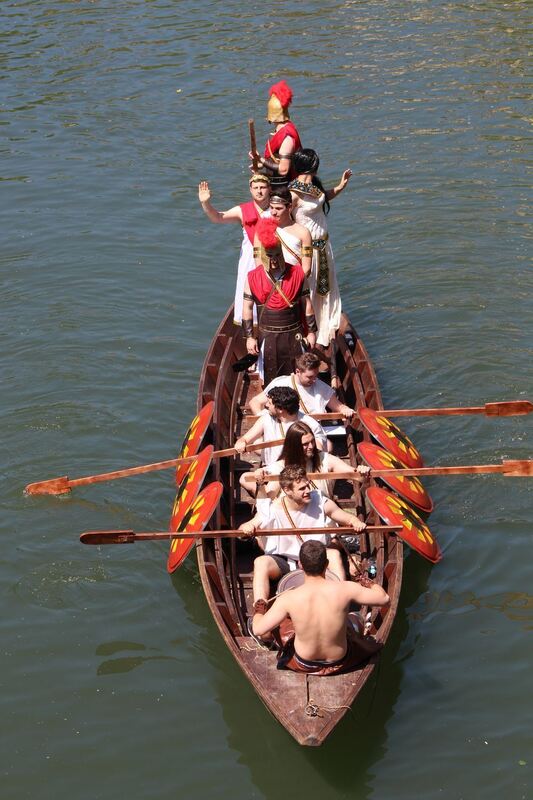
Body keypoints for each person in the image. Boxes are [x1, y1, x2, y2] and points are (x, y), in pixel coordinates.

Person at [239, 466, 368, 615]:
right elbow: (245, 528)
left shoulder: (319, 500)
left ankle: (340, 604)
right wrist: (247, 527)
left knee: (333, 554)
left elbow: (343, 516)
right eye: (302, 489)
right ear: (287, 491)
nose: (308, 491)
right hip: (285, 562)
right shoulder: (273, 508)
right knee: (260, 562)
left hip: (315, 558)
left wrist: (354, 521)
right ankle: (260, 609)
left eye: (307, 485)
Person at [252, 540, 389, 674]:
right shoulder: (346, 588)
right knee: (356, 618)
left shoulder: (288, 598)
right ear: (327, 564)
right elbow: (384, 598)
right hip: (340, 660)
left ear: (301, 565)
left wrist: (260, 607)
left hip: (304, 663)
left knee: (280, 623)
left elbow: (258, 629)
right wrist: (365, 581)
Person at [289, 148, 352, 348]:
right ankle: (309, 331)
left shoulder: (314, 187)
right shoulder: (294, 192)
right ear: (313, 166)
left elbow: (323, 197)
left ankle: (324, 327)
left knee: (326, 288)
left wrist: (341, 186)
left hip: (324, 245)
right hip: (307, 250)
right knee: (311, 288)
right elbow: (281, 218)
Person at [243, 218, 315, 386]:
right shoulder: (253, 278)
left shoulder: (297, 274)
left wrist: (311, 332)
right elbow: (247, 308)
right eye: (269, 256)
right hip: (267, 336)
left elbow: (307, 304)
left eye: (277, 255)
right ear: (263, 255)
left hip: (294, 335)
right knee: (271, 383)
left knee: (297, 381)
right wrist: (249, 337)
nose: (274, 260)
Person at [198, 175, 271, 325]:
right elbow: (218, 217)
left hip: (273, 257)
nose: (259, 191)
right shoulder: (242, 210)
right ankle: (251, 335)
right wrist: (205, 203)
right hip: (250, 261)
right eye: (256, 188)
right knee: (249, 297)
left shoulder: (278, 208)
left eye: (263, 187)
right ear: (250, 190)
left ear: (269, 189)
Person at [240, 420, 369, 500]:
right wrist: (259, 483)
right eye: (305, 444)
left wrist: (362, 472)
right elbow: (268, 498)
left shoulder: (326, 459)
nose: (312, 446)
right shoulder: (281, 467)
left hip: (322, 517)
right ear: (294, 446)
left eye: (312, 441)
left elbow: (358, 477)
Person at [234, 387, 326, 467]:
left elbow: (316, 455)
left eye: (270, 403)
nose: (266, 405)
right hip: (272, 470)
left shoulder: (311, 425)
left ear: (280, 409)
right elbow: (245, 439)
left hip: (301, 472)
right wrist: (241, 443)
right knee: (244, 479)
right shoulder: (267, 418)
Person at [249, 351, 354, 418]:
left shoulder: (321, 386)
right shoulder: (280, 383)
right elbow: (255, 402)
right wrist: (262, 418)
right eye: (309, 377)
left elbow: (339, 406)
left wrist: (346, 410)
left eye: (316, 375)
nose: (314, 380)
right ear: (298, 371)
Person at [249, 80, 302, 189]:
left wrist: (261, 159)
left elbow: (283, 169)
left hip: (284, 190)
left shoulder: (287, 136)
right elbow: (276, 160)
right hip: (275, 184)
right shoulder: (281, 131)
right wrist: (261, 165)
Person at [264, 187, 312, 279]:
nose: (273, 212)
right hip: (270, 283)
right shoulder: (264, 228)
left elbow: (307, 269)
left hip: (296, 283)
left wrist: (291, 286)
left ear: (289, 207)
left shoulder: (303, 233)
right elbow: (259, 262)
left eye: (278, 208)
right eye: (271, 207)